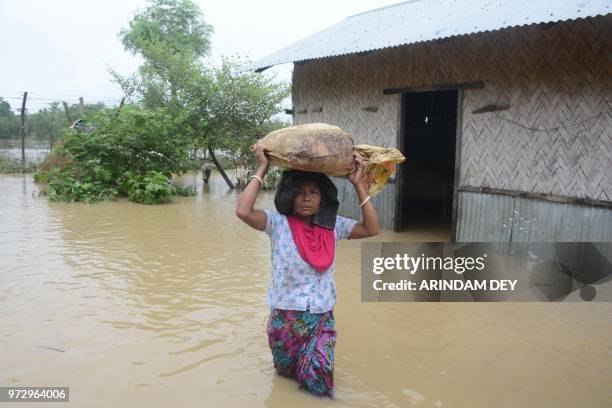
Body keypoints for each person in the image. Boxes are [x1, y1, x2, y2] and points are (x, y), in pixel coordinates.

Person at [235, 141, 380, 398]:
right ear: (290, 196)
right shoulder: (277, 223)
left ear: (322, 198)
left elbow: (371, 229)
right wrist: (262, 167)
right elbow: (243, 211)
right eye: (300, 192)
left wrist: (358, 184)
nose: (306, 198)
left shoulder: (333, 227)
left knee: (320, 382)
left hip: (320, 316)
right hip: (284, 318)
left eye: (313, 192)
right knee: (285, 378)